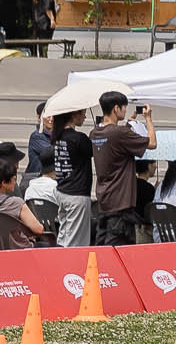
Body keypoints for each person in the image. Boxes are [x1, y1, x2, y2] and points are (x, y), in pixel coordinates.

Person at [90, 93, 155, 248]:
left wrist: (128, 125)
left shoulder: (95, 133)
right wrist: (148, 119)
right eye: (124, 107)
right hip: (121, 202)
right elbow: (152, 143)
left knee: (102, 248)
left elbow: (114, 143)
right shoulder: (120, 133)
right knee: (119, 249)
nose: (125, 111)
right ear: (116, 108)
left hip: (104, 199)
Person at [48, 111, 93, 247]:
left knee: (64, 237)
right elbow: (93, 151)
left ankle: (60, 265)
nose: (85, 117)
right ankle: (71, 268)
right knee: (77, 242)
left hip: (62, 191)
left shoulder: (58, 136)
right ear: (74, 115)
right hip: (77, 194)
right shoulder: (79, 138)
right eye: (83, 113)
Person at [0, 152, 43, 250]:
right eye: (14, 179)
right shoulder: (16, 203)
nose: (15, 183)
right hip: (21, 250)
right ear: (4, 183)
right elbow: (38, 229)